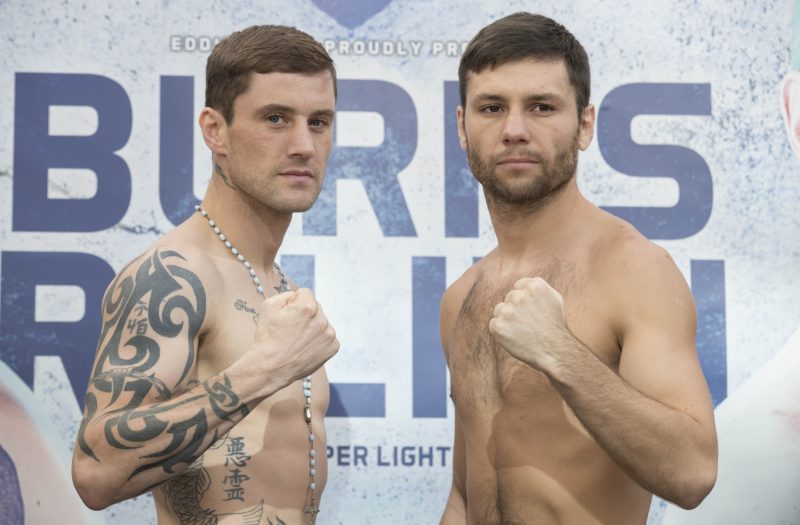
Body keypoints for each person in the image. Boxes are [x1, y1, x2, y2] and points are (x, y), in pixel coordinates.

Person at [439, 12, 717, 524]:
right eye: (492, 108)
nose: (514, 130)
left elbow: (692, 471)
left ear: (584, 125)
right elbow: (464, 495)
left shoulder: (634, 270)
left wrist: (560, 353)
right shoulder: (462, 296)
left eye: (542, 107)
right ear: (462, 127)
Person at [71, 25, 340, 525]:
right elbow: (95, 472)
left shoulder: (279, 285)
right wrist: (265, 370)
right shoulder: (174, 274)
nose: (304, 144)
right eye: (276, 119)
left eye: (319, 121)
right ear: (215, 130)